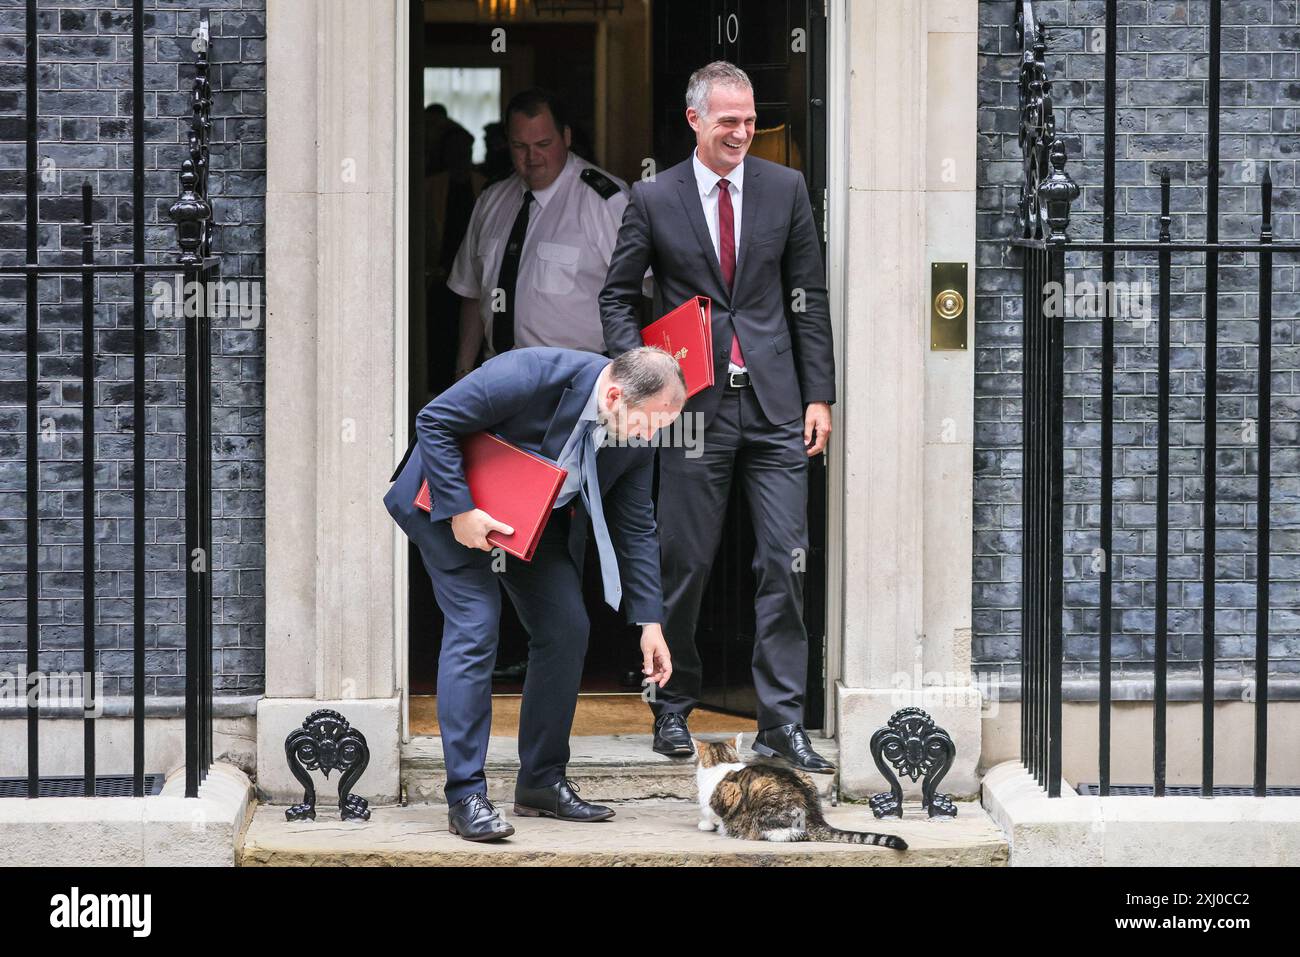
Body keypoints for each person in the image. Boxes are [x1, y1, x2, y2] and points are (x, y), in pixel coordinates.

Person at [599, 61, 837, 772]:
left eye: (749, 118)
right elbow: (617, 295)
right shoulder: (653, 196)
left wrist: (818, 394)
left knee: (782, 564)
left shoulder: (786, 188)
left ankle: (782, 723)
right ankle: (672, 709)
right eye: (728, 119)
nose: (742, 131)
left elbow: (809, 293)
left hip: (776, 407)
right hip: (690, 408)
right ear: (694, 119)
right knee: (684, 563)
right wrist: (639, 376)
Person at [384, 346, 685, 841]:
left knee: (567, 628)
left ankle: (542, 782)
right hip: (448, 505)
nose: (649, 436)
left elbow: (636, 527)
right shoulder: (528, 373)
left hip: (531, 518)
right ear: (613, 395)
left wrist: (650, 623)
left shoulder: (635, 438)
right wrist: (460, 511)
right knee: (476, 625)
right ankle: (465, 795)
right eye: (648, 423)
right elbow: (434, 420)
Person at [447, 88, 633, 377]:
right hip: (496, 378)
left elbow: (644, 291)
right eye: (520, 146)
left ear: (567, 137)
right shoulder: (492, 198)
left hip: (577, 381)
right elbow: (471, 291)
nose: (532, 157)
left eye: (543, 143)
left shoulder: (606, 201)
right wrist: (462, 371)